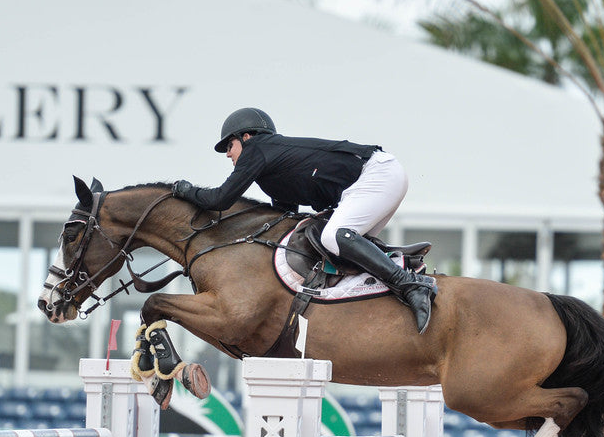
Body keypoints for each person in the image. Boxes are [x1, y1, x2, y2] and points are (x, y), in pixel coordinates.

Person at [171, 107, 437, 333]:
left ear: (247, 137)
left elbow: (220, 199)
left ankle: (410, 286)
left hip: (376, 175)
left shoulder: (257, 149)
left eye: (229, 146)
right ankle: (395, 277)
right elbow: (285, 222)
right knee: (337, 249)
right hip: (377, 179)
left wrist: (184, 191)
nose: (228, 154)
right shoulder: (272, 170)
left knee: (334, 236)